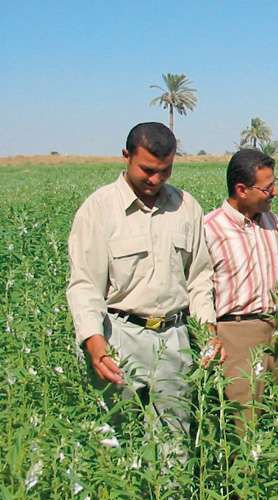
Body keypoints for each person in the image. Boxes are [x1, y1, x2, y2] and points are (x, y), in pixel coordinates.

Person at [66, 122, 221, 450]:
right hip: (119, 336)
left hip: (174, 336)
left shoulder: (185, 207)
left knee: (175, 438)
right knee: (119, 441)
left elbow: (200, 278)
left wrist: (208, 331)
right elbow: (85, 286)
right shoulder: (99, 209)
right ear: (126, 156)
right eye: (147, 170)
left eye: (165, 171)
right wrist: (94, 343)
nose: (155, 180)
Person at [203, 149, 278, 436]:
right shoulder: (209, 229)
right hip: (236, 332)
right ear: (241, 190)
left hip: (277, 326)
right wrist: (209, 337)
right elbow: (198, 291)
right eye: (267, 187)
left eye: (274, 183)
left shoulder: (273, 223)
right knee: (243, 422)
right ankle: (244, 479)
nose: (274, 192)